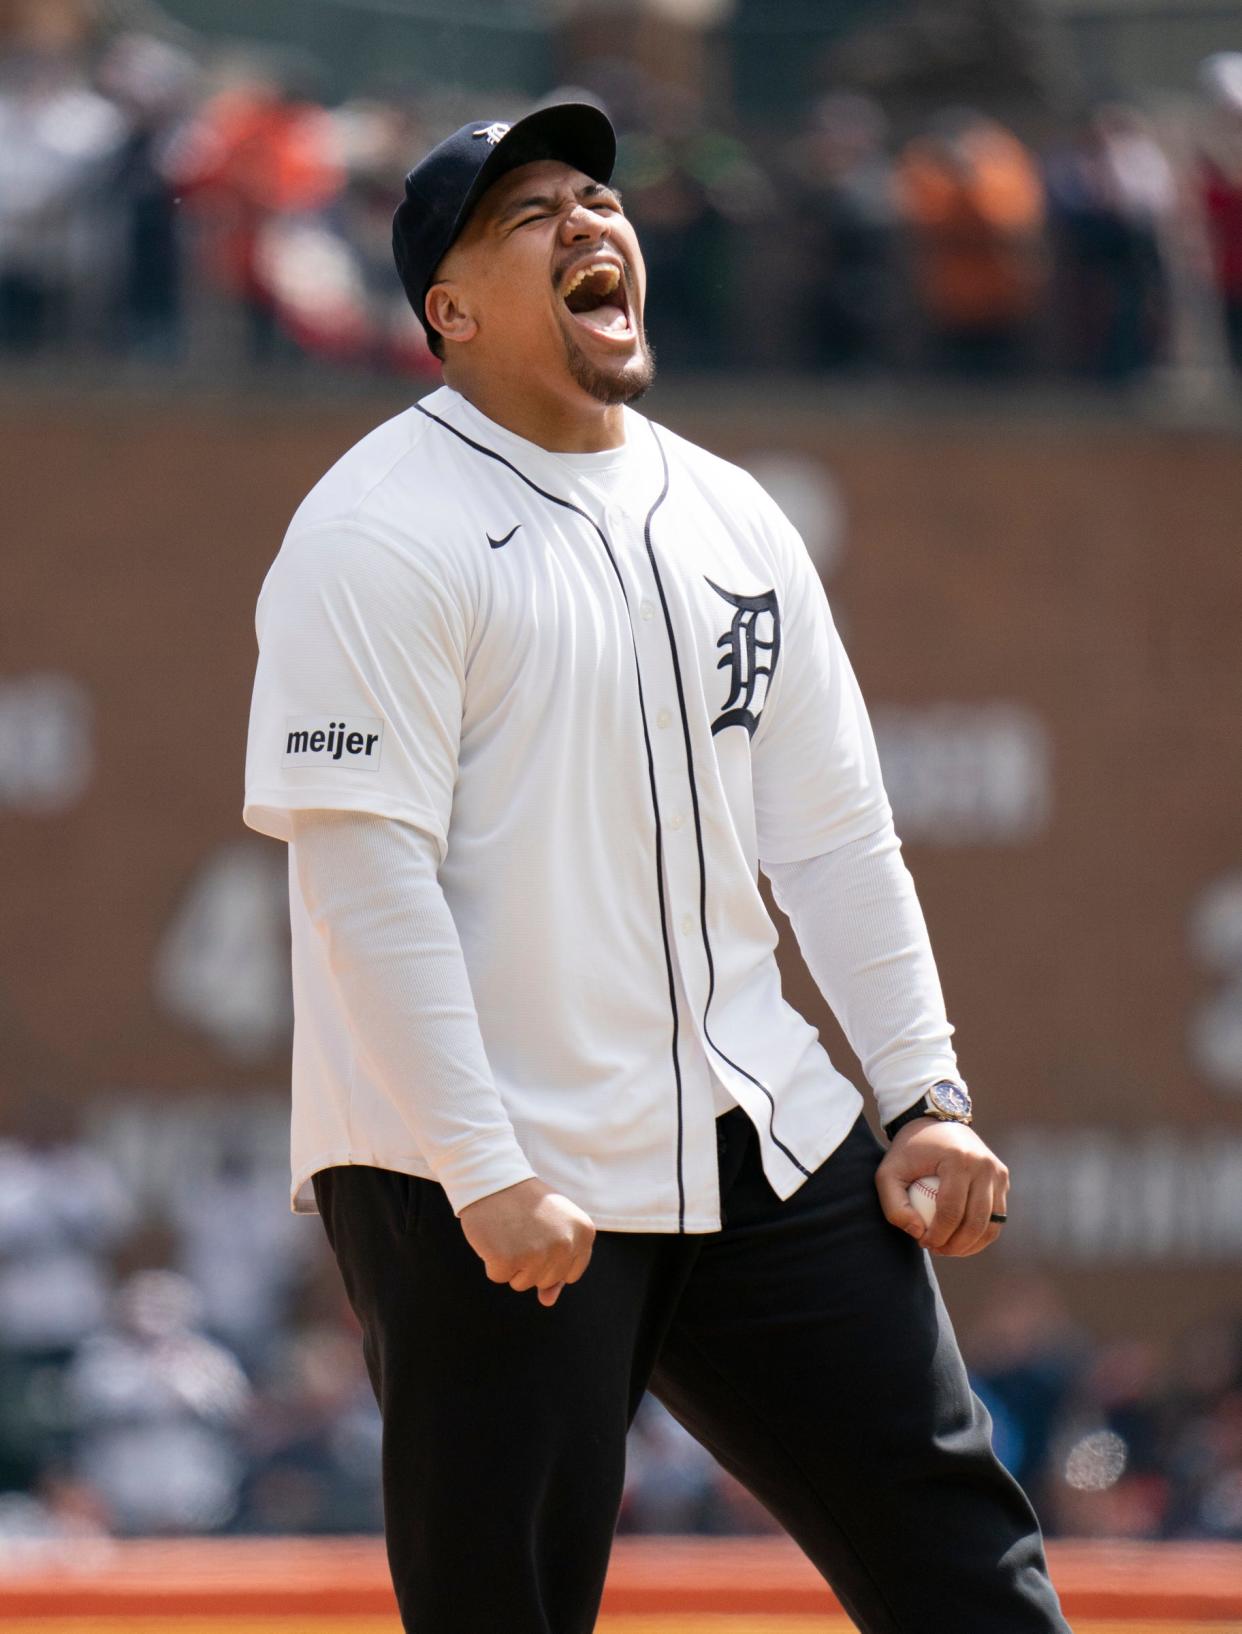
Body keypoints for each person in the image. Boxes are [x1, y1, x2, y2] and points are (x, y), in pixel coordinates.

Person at [242, 102, 1071, 1634]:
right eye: (527, 212)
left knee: (965, 1561)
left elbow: (830, 835)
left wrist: (924, 1095)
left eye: (595, 196)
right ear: (451, 309)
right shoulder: (373, 530)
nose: (587, 221)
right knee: (508, 1608)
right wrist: (481, 1169)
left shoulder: (729, 511)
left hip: (753, 1121)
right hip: (488, 1153)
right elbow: (367, 884)